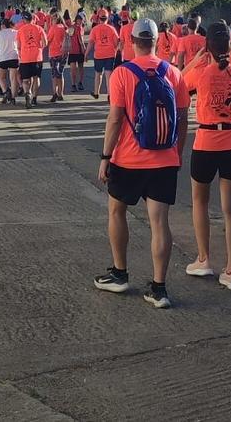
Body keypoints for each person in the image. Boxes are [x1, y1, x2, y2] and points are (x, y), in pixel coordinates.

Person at [94, 18, 191, 309]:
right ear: (158, 41)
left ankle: (120, 273)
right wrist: (177, 152)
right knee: (159, 222)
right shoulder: (173, 72)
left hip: (128, 158)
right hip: (164, 159)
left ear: (131, 41)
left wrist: (105, 156)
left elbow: (114, 119)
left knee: (116, 211)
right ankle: (159, 289)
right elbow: (183, 117)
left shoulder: (123, 73)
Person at [182, 21, 231, 291]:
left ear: (206, 47)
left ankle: (204, 259)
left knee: (200, 202)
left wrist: (196, 60)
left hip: (207, 142)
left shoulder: (200, 73)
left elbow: (177, 81)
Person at [17, 12, 47, 109]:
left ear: (24, 20)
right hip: (37, 57)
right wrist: (40, 48)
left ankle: (27, 94)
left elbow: (18, 46)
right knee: (36, 78)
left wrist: (20, 53)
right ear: (32, 19)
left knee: (26, 80)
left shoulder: (20, 30)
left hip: (25, 57)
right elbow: (45, 42)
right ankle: (34, 98)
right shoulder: (39, 28)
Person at [88, 13, 118, 99]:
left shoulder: (95, 29)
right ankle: (109, 94)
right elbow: (116, 42)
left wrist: (86, 53)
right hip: (110, 54)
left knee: (98, 74)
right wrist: (115, 49)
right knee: (108, 75)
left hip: (99, 55)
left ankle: (96, 92)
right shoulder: (112, 29)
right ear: (107, 19)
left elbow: (90, 42)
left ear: (99, 19)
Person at [0, 18, 22, 105]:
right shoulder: (16, 32)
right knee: (13, 79)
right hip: (14, 57)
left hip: (3, 58)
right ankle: (13, 97)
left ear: (3, 25)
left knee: (1, 77)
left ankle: (5, 91)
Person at [46, 10, 69, 103]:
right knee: (60, 73)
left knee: (54, 74)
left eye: (52, 18)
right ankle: (61, 93)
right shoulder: (64, 28)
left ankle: (54, 93)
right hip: (63, 53)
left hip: (54, 53)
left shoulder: (53, 28)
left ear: (55, 19)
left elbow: (48, 40)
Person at [67, 10, 87, 94]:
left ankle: (73, 84)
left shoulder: (72, 27)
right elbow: (80, 40)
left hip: (72, 50)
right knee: (80, 67)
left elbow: (69, 36)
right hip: (78, 50)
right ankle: (80, 83)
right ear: (79, 20)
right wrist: (84, 50)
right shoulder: (79, 28)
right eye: (81, 20)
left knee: (73, 68)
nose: (82, 21)